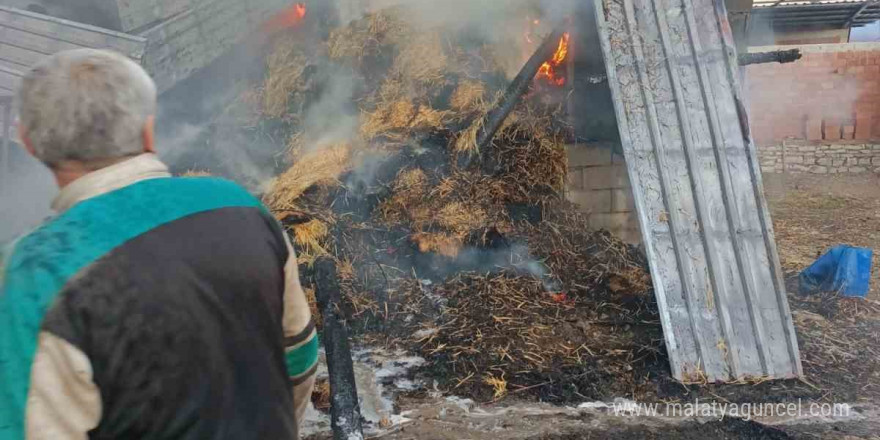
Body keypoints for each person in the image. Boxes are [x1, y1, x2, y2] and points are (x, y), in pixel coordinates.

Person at [0, 49, 317, 439]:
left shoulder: (38, 268)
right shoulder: (239, 206)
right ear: (148, 131)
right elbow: (299, 355)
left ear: (32, 146)